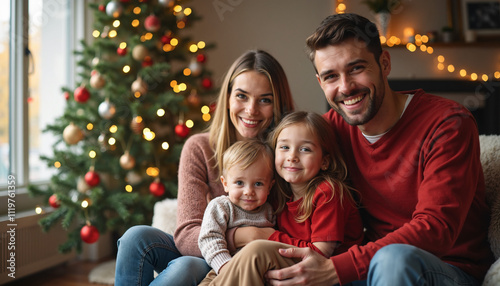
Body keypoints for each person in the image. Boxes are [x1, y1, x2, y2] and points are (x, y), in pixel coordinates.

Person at [261, 13, 494, 285]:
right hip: (368, 269)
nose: (345, 87)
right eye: (331, 76)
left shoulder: (447, 124)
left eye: (356, 68)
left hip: (446, 268)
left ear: (384, 63)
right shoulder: (329, 132)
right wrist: (239, 232)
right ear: (320, 83)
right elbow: (275, 168)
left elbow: (436, 229)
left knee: (394, 259)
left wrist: (336, 269)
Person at [114, 49, 295, 286]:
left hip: (246, 262)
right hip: (205, 249)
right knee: (135, 237)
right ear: (228, 97)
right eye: (242, 96)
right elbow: (187, 235)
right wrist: (246, 235)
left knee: (185, 266)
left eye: (265, 100)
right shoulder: (200, 148)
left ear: (278, 105)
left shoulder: (285, 155)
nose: (251, 110)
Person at [199, 111, 364, 285]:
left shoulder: (328, 192)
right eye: (284, 147)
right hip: (286, 265)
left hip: (325, 274)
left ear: (325, 161)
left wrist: (268, 236)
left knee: (257, 251)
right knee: (213, 277)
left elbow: (319, 256)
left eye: (305, 149)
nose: (292, 157)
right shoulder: (277, 193)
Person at [198, 139, 276, 277]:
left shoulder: (269, 211)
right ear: (225, 184)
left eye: (258, 183)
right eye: (240, 183)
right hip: (226, 270)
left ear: (269, 187)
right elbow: (209, 239)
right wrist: (225, 267)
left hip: (260, 272)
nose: (248, 191)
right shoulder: (221, 207)